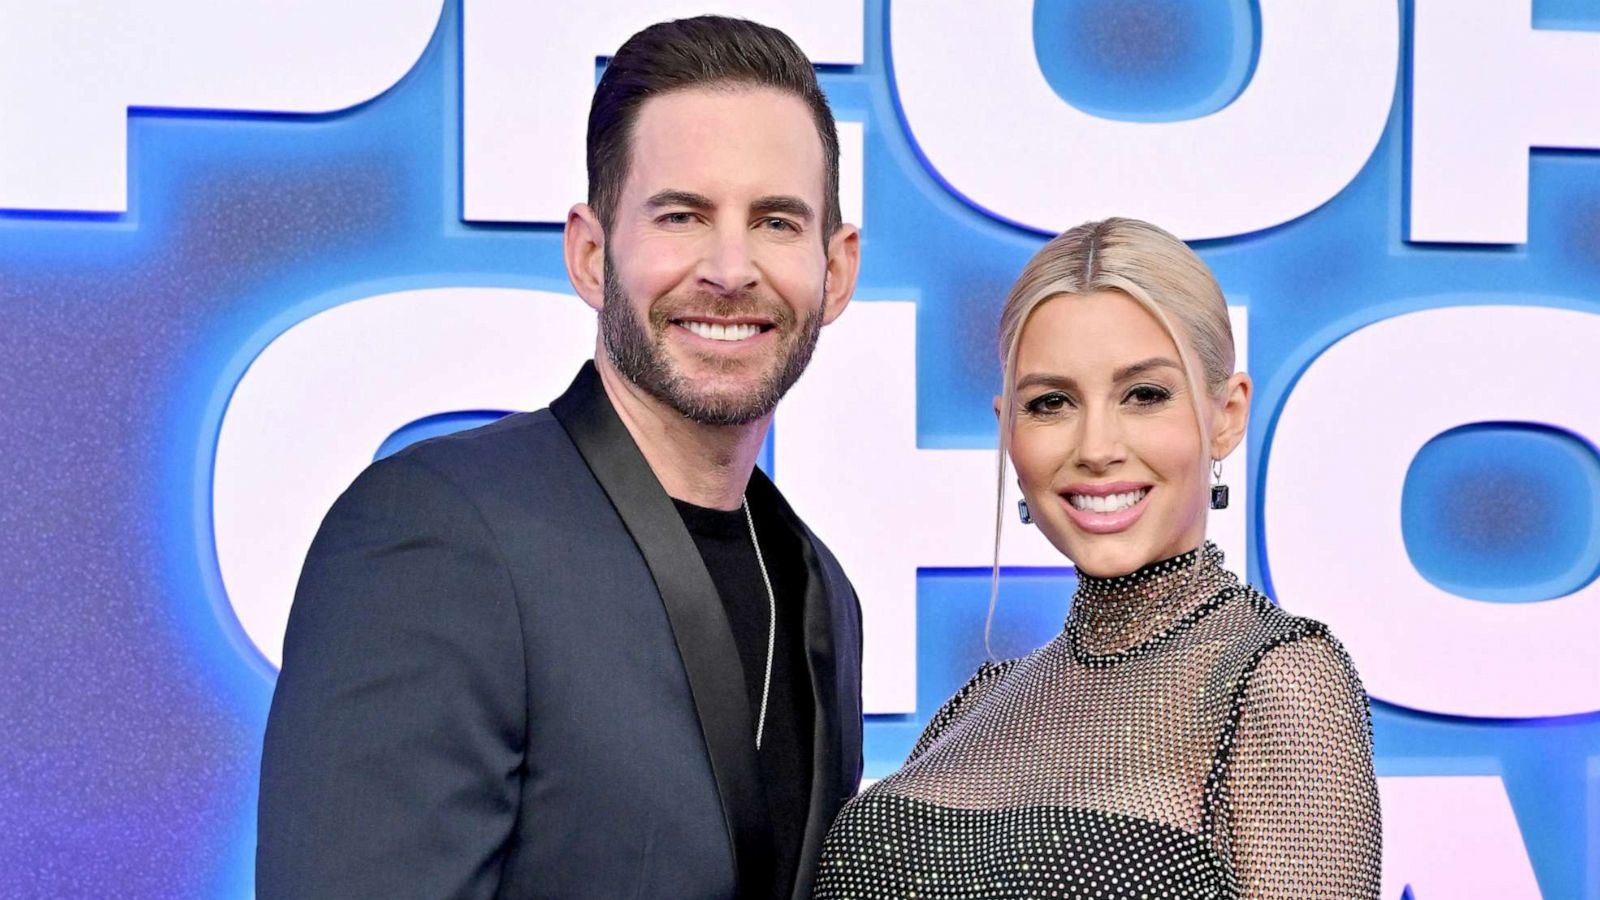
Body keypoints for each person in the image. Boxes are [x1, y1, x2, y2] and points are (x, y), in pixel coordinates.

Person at [257, 16, 864, 899]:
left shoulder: (822, 590)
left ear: (836, 270)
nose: (731, 268)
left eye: (775, 220)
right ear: (590, 253)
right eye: (682, 216)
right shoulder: (438, 535)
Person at [813, 218, 1381, 898]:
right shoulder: (981, 699)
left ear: (1227, 414)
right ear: (1007, 429)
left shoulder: (1278, 677)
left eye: (1145, 395)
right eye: (1052, 403)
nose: (1097, 446)